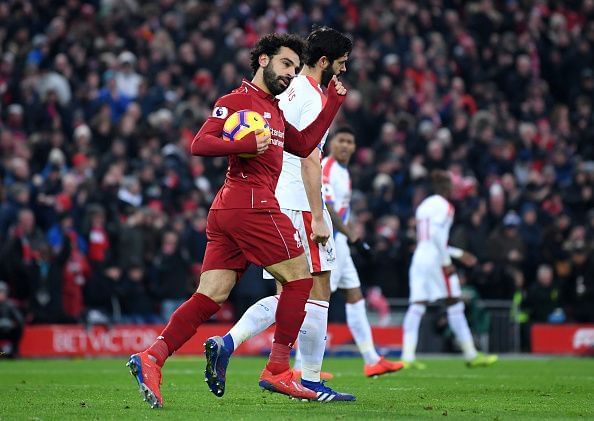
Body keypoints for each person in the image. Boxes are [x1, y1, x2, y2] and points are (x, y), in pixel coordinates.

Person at [126, 33, 347, 408]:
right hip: (252, 204)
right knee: (300, 280)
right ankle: (278, 370)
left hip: (229, 209)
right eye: (284, 64)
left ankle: (152, 356)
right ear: (263, 59)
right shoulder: (237, 100)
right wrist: (241, 145)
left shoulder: (274, 109)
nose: (290, 73)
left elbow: (305, 144)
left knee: (210, 295)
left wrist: (334, 104)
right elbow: (200, 143)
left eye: (295, 67)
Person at [203, 27, 357, 403]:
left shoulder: (285, 92)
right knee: (315, 292)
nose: (343, 73)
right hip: (300, 203)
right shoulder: (309, 95)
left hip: (276, 200)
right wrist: (320, 216)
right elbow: (309, 156)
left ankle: (228, 343)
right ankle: (309, 378)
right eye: (341, 66)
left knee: (292, 292)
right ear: (324, 63)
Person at [321, 127, 404, 377]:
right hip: (331, 241)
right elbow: (327, 206)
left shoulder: (344, 172)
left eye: (350, 141)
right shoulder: (327, 167)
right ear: (332, 143)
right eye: (341, 140)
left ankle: (371, 359)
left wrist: (350, 238)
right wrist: (352, 236)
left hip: (342, 243)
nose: (345, 145)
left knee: (355, 297)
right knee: (319, 301)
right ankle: (303, 367)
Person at [400, 170, 498, 369]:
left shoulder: (424, 206)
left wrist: (457, 253)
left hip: (420, 257)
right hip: (436, 259)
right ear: (447, 188)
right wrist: (447, 261)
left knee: (417, 305)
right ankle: (471, 354)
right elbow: (437, 235)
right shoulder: (445, 207)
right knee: (454, 303)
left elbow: (426, 238)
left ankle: (407, 357)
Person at [0, 281, 24, 358]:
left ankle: (13, 352)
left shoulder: (11, 305)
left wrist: (12, 324)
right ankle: (2, 354)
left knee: (18, 329)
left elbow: (19, 320)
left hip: (9, 330)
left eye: (2, 292)